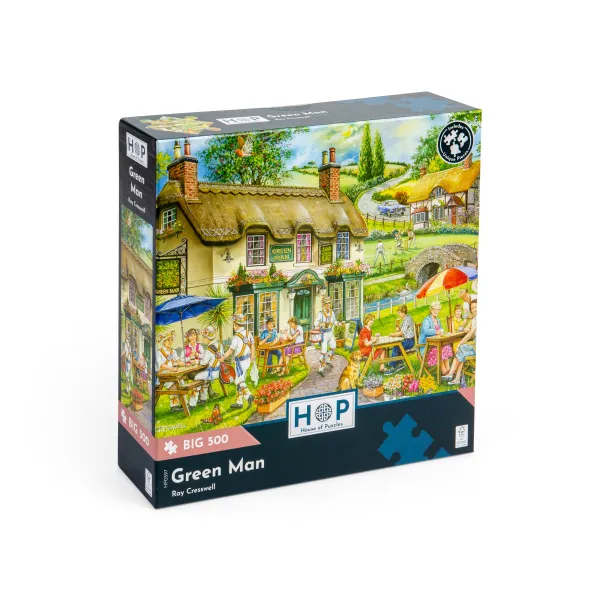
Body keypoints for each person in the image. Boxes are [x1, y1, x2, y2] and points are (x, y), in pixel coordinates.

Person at [220, 313, 255, 409]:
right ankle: (239, 402)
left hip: (240, 362)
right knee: (240, 380)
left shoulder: (235, 337)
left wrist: (223, 357)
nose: (233, 326)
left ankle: (249, 396)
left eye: (234, 325)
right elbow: (252, 344)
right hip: (247, 360)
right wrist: (252, 355)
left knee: (238, 381)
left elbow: (230, 350)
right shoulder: (248, 333)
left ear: (236, 325)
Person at [444, 299, 477, 385]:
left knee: (461, 349)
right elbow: (467, 329)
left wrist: (460, 343)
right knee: (461, 351)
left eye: (475, 307)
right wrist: (468, 329)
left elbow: (470, 334)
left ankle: (451, 374)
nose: (474, 309)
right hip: (474, 345)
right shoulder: (474, 319)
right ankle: (456, 378)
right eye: (472, 308)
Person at [419, 301, 453, 375]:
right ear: (431, 310)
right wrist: (436, 331)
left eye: (438, 309)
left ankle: (449, 370)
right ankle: (445, 372)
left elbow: (440, 330)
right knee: (438, 351)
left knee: (446, 347)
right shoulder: (426, 320)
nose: (436, 311)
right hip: (427, 346)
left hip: (436, 344)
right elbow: (426, 331)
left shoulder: (438, 320)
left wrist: (443, 333)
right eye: (435, 309)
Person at [193, 326, 224, 405]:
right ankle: (203, 399)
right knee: (205, 379)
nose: (203, 340)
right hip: (220, 371)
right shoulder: (220, 345)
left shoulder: (208, 350)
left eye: (204, 338)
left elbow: (203, 362)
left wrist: (196, 361)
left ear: (207, 339)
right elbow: (222, 356)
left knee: (196, 377)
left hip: (212, 373)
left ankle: (192, 403)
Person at [156, 330, 185, 411]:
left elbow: (177, 361)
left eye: (171, 340)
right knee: (174, 385)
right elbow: (161, 365)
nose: (169, 342)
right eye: (167, 340)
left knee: (182, 383)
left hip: (173, 374)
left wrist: (183, 363)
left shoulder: (173, 351)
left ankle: (183, 404)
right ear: (163, 342)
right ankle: (174, 406)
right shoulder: (159, 352)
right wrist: (172, 369)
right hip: (163, 375)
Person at [314, 297, 338, 376]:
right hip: (324, 334)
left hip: (330, 333)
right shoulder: (320, 314)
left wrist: (339, 323)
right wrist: (323, 324)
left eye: (329, 303)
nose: (328, 305)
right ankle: (320, 369)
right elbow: (315, 323)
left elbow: (334, 321)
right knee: (323, 351)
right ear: (323, 305)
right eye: (326, 304)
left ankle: (328, 361)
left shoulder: (332, 312)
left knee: (333, 347)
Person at [388, 304, 416, 371]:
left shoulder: (407, 319)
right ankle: (400, 364)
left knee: (396, 348)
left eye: (399, 313)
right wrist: (397, 326)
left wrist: (393, 335)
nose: (398, 314)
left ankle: (393, 367)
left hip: (409, 341)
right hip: (407, 340)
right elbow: (400, 330)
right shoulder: (405, 319)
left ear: (403, 313)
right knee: (397, 346)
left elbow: (402, 332)